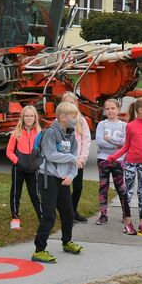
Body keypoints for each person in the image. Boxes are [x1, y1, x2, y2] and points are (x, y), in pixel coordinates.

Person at [32, 101, 84, 263]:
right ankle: (39, 250)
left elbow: (75, 158)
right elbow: (51, 154)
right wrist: (72, 159)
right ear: (62, 117)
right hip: (48, 178)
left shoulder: (71, 134)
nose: (76, 119)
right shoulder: (51, 133)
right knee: (49, 215)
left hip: (63, 179)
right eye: (73, 116)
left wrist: (71, 175)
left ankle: (67, 242)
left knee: (68, 212)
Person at [108, 98, 142, 236]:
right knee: (128, 192)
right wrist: (114, 157)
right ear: (140, 110)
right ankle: (128, 222)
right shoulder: (130, 126)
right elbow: (126, 145)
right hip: (130, 163)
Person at [6, 104, 42, 230]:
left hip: (33, 169)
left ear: (35, 117)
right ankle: (15, 217)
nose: (29, 118)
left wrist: (37, 163)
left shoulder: (40, 133)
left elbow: (43, 151)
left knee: (35, 194)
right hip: (19, 168)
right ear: (22, 117)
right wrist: (18, 161)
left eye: (31, 116)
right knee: (16, 192)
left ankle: (42, 217)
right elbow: (9, 152)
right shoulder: (16, 133)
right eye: (26, 116)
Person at [94, 98, 129, 226]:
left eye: (113, 108)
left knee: (121, 187)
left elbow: (125, 143)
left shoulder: (124, 125)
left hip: (119, 159)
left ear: (118, 109)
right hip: (103, 159)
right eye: (107, 109)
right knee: (103, 187)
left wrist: (109, 139)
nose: (110, 111)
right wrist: (116, 144)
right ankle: (103, 214)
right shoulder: (101, 124)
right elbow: (99, 142)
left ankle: (126, 213)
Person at [58, 92, 91, 224]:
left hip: (77, 162)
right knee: (63, 189)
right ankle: (66, 213)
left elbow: (86, 141)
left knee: (78, 187)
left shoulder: (81, 121)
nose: (70, 105)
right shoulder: (58, 122)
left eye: (72, 103)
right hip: (64, 162)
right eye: (67, 103)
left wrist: (81, 159)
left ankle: (72, 211)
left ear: (76, 104)